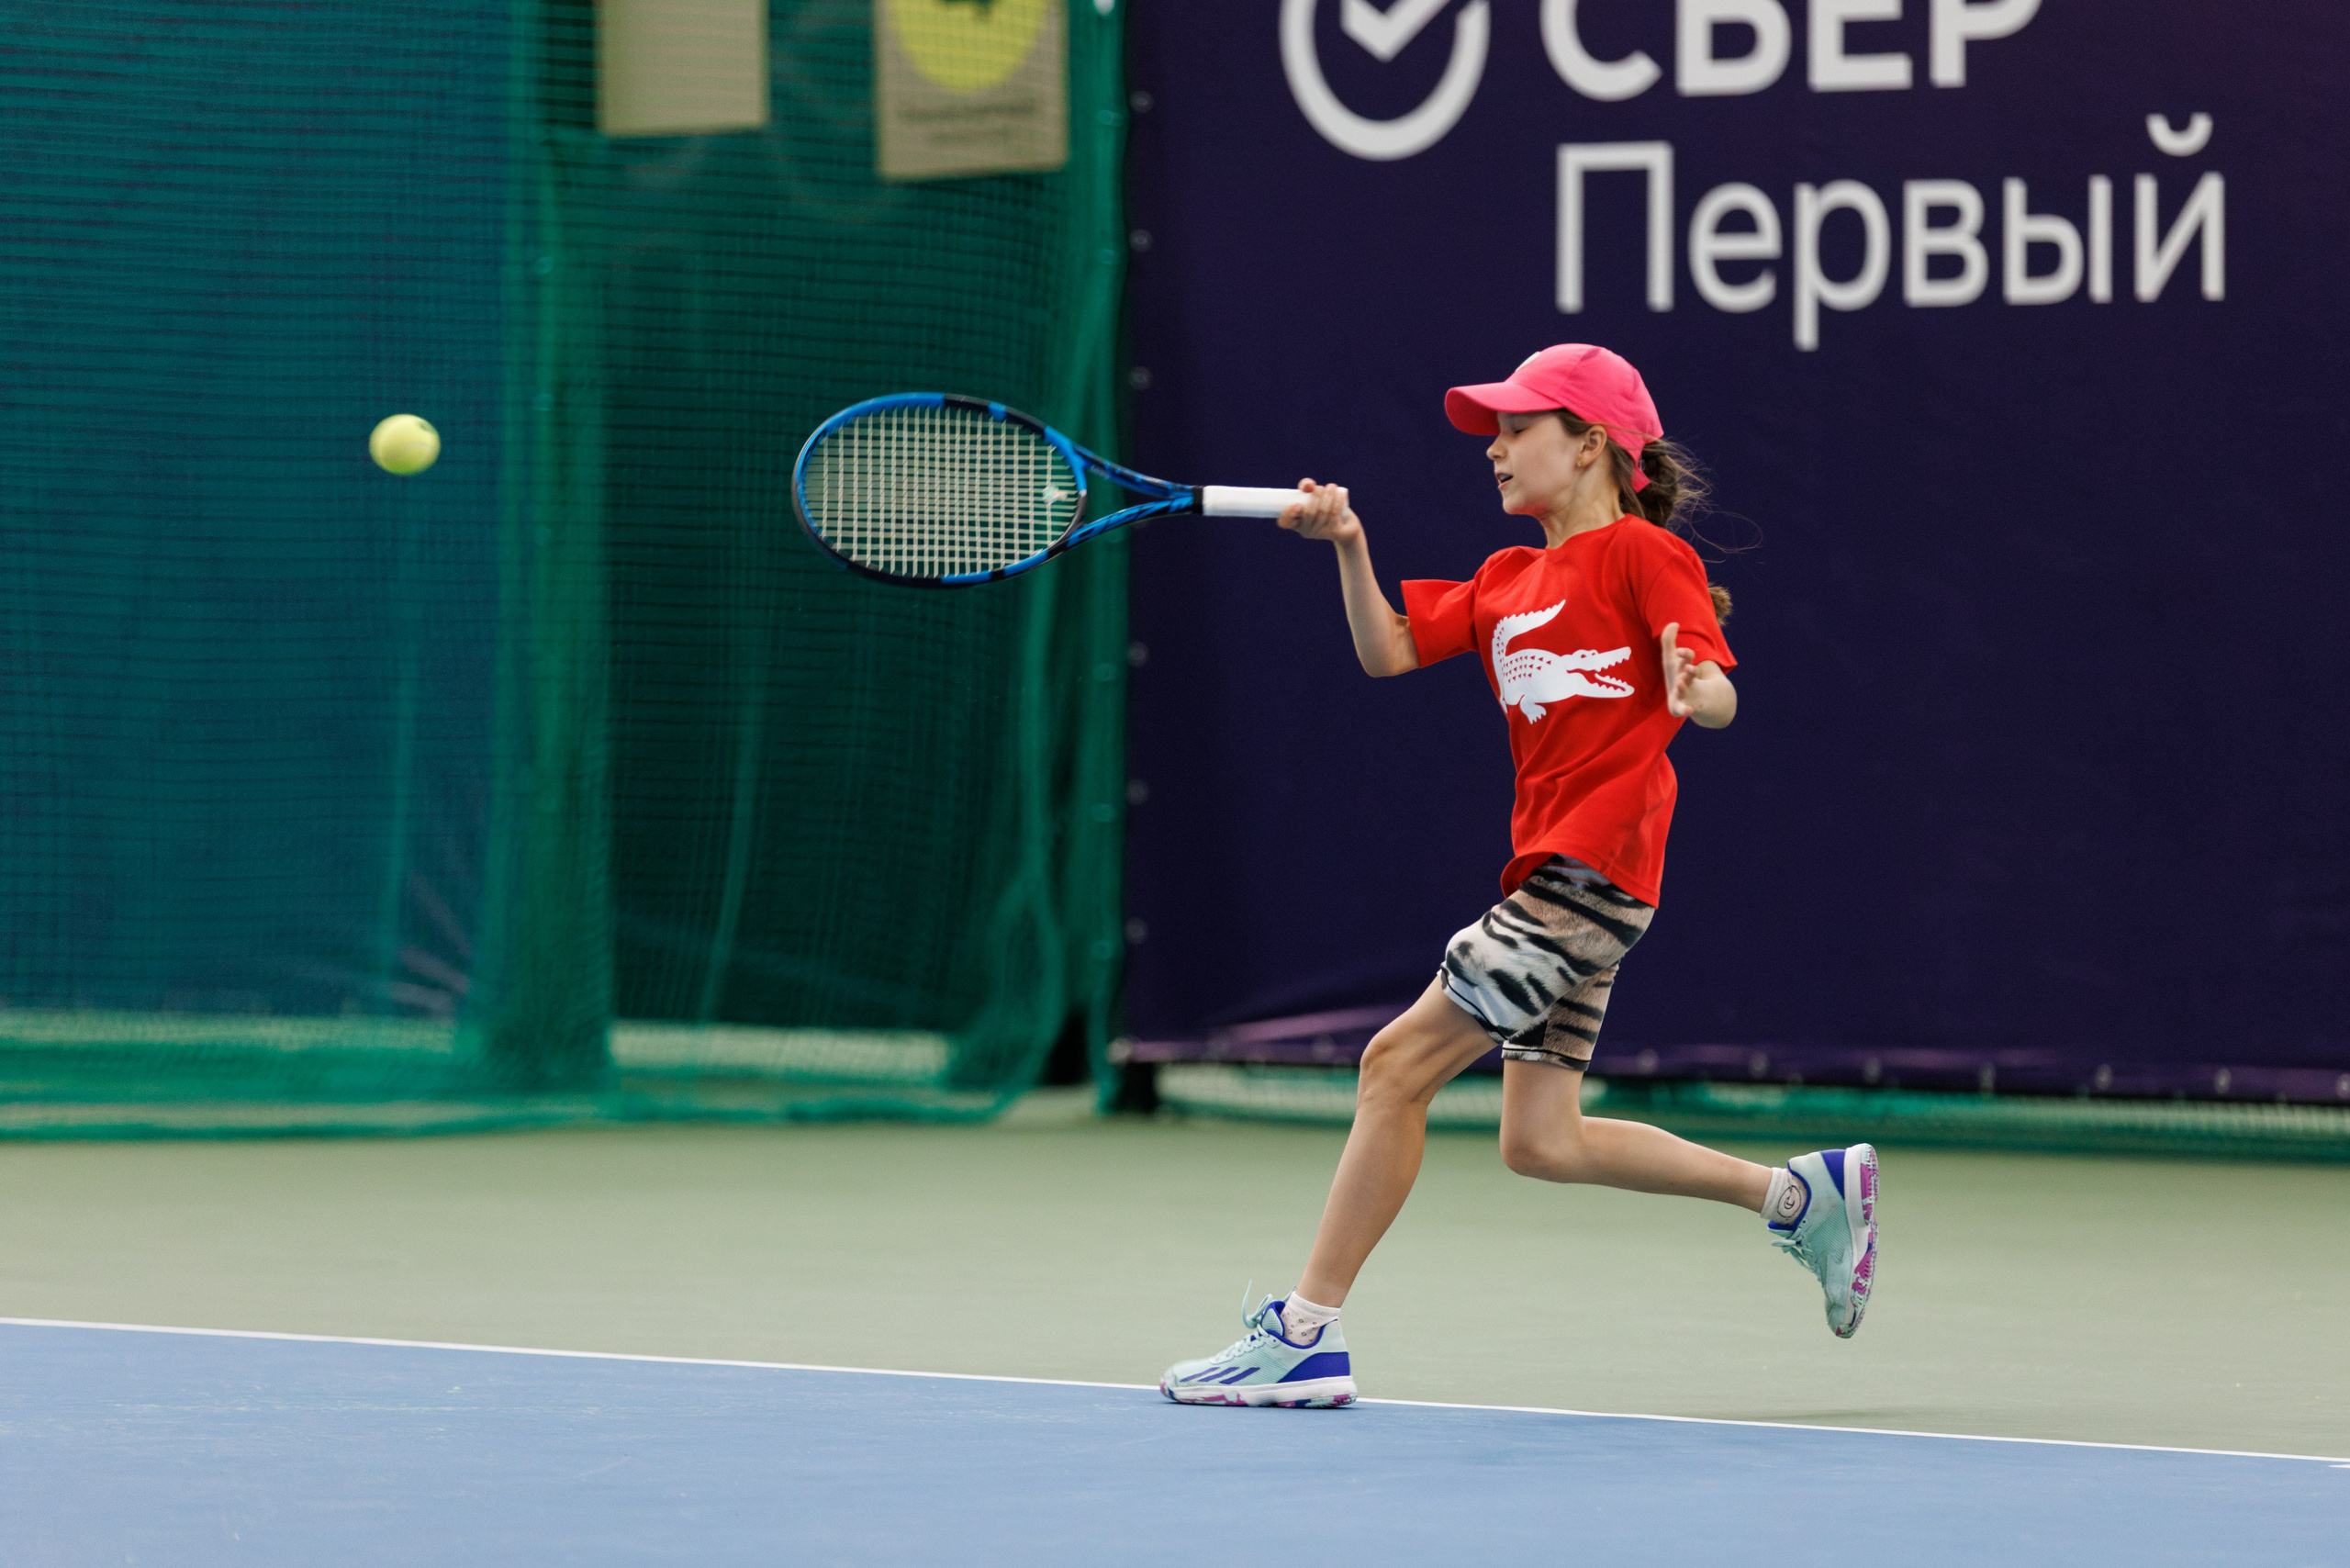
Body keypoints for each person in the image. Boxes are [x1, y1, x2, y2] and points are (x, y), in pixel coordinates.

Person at [1159, 344, 1877, 1409]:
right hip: (1562, 875)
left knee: (1392, 1066)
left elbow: (1715, 691)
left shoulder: (1642, 555)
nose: (1494, 447)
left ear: (1590, 445)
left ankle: (1305, 1332)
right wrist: (1348, 545)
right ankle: (1796, 1197)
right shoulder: (1506, 580)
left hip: (1590, 874)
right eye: (1491, 429)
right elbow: (1390, 653)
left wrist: (1696, 687)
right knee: (1541, 1139)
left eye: (1517, 426)